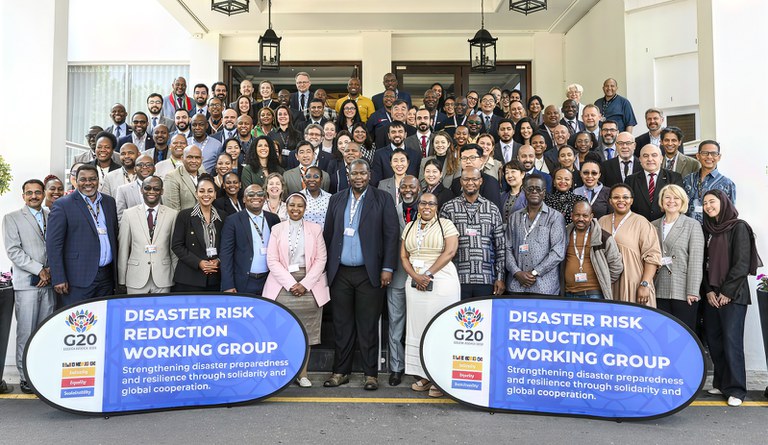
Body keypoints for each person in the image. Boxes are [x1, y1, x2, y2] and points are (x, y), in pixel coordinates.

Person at [322, 159, 399, 391]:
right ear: (348, 175)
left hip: (370, 272)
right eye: (354, 173)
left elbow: (391, 234)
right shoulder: (336, 199)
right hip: (341, 272)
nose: (358, 177)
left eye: (362, 173)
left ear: (369, 175)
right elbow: (328, 234)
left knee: (367, 325)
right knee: (342, 325)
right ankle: (340, 372)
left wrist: (387, 268)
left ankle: (370, 374)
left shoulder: (383, 199)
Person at [262, 193, 329, 387]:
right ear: (286, 206)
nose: (296, 209)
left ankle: (303, 373)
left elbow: (321, 259)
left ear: (305, 208)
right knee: (281, 331)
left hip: (310, 285)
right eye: (292, 205)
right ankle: (281, 372)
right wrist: (291, 284)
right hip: (283, 285)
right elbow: (272, 260)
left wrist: (305, 284)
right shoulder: (276, 229)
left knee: (305, 332)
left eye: (300, 206)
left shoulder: (315, 229)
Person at [701, 190, 758, 407]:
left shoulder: (738, 227)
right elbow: (703, 264)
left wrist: (726, 292)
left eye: (712, 202)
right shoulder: (708, 230)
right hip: (712, 296)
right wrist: (708, 291)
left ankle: (736, 389)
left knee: (731, 342)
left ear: (724, 203)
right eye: (705, 203)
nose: (708, 206)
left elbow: (742, 263)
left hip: (733, 296)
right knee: (715, 341)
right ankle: (722, 383)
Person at [401, 192, 460, 398]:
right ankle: (424, 375)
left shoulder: (446, 224)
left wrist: (427, 274)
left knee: (440, 329)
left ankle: (440, 378)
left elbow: (450, 252)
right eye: (423, 203)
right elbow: (403, 255)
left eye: (431, 203)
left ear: (437, 206)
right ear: (418, 205)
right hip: (415, 282)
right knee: (418, 329)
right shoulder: (409, 226)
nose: (427, 206)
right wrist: (415, 276)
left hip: (441, 280)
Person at [3, 179, 56, 394]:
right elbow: (13, 250)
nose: (33, 196)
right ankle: (25, 378)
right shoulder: (12, 218)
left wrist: (50, 270)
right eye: (29, 193)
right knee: (26, 332)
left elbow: (57, 245)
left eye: (37, 192)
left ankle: (40, 374)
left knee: (45, 332)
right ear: (23, 195)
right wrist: (38, 269)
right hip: (27, 284)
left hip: (49, 283)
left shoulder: (51, 216)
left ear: (43, 194)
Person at [47, 164, 119, 307]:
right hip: (77, 278)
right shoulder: (63, 205)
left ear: (98, 180)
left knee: (103, 321)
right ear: (75, 180)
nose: (88, 183)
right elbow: (53, 245)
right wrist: (58, 277)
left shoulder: (109, 202)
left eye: (92, 179)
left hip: (107, 277)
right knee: (77, 323)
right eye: (83, 179)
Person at [441, 168, 506, 300]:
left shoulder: (492, 209)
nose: (470, 182)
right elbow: (441, 245)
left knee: (483, 319)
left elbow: (500, 247)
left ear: (480, 181)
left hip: (486, 278)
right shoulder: (448, 208)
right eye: (466, 179)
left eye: (474, 179)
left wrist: (500, 277)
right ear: (461, 181)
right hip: (456, 277)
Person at [383, 175, 421, 387]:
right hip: (397, 275)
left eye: (412, 187)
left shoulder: (429, 210)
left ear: (419, 188)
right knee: (396, 325)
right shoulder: (392, 209)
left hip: (421, 277)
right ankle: (396, 368)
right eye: (404, 187)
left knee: (419, 325)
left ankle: (419, 368)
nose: (408, 190)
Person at [650, 184, 704, 331]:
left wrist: (692, 290)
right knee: (660, 336)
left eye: (676, 198)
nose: (671, 201)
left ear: (682, 201)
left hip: (683, 290)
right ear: (661, 201)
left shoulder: (692, 225)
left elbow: (696, 260)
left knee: (683, 336)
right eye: (667, 197)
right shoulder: (652, 225)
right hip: (658, 288)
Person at [598, 184, 662, 306]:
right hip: (608, 283)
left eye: (625, 197)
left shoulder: (641, 222)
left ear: (631, 200)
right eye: (616, 197)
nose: (621, 200)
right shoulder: (602, 221)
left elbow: (652, 257)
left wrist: (645, 284)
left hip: (634, 283)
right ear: (610, 201)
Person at [506, 174, 567, 296]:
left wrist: (534, 273)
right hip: (516, 286)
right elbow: (507, 248)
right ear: (524, 191)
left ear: (544, 192)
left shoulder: (555, 217)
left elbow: (558, 252)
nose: (534, 192)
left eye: (538, 189)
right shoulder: (514, 217)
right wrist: (517, 272)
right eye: (530, 189)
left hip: (544, 287)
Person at [117, 176, 178, 294]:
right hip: (136, 277)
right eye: (147, 188)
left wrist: (175, 276)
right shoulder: (128, 214)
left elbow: (173, 250)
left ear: (162, 191)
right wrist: (122, 279)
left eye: (156, 189)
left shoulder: (172, 214)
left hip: (163, 277)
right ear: (141, 190)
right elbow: (123, 249)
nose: (152, 192)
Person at [220, 184, 281, 294]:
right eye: (251, 194)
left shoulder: (273, 219)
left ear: (265, 198)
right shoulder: (233, 221)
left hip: (270, 281)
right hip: (244, 282)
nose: (256, 197)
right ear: (244, 199)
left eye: (260, 194)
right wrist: (228, 284)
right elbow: (226, 255)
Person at [171, 174, 226, 292]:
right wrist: (199, 262)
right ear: (196, 194)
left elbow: (227, 245)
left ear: (215, 195)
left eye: (210, 191)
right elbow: (177, 245)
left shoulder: (223, 216)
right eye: (202, 191)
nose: (206, 194)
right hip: (189, 278)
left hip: (215, 278)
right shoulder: (184, 216)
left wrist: (219, 261)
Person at [563, 201, 623, 299]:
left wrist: (603, 280)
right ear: (572, 215)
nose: (581, 219)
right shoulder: (564, 235)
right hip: (569, 293)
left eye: (585, 216)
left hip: (594, 294)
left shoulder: (603, 238)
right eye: (577, 215)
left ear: (591, 217)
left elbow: (616, 266)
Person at [683, 140, 736, 224]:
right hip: (688, 230)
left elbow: (730, 214)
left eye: (714, 153)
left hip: (714, 232)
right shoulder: (687, 180)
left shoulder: (727, 184)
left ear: (719, 157)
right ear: (698, 156)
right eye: (705, 153)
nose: (709, 157)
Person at [625, 143, 683, 221]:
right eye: (645, 156)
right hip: (639, 226)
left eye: (654, 155)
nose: (650, 159)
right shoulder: (630, 180)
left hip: (666, 225)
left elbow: (679, 204)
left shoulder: (674, 178)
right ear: (640, 160)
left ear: (661, 158)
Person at [449, 144, 502, 209]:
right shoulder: (456, 182)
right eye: (464, 158)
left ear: (481, 160)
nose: (468, 161)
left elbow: (495, 209)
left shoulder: (491, 182)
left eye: (472, 158)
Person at [115, 154, 156, 222]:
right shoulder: (123, 190)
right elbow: (120, 217)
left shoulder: (163, 186)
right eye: (140, 165)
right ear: (134, 169)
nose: (145, 167)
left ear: (154, 168)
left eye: (149, 165)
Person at [164, 145, 204, 211]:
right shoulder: (172, 177)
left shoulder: (204, 174)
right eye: (190, 157)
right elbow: (172, 210)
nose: (194, 161)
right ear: (182, 158)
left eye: (197, 158)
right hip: (183, 220)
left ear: (202, 159)